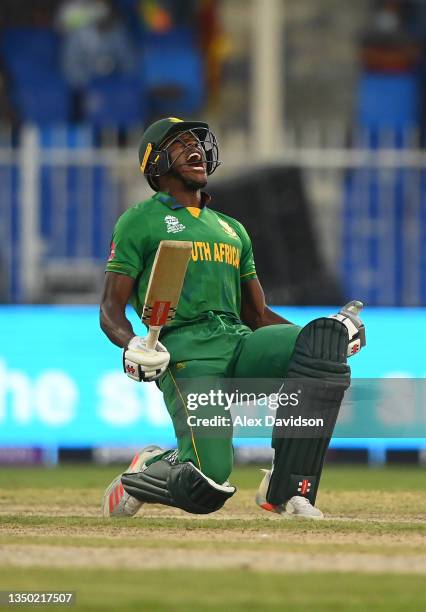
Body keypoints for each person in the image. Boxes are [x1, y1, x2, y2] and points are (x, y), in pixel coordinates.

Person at [99, 117, 365, 519]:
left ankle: (287, 492)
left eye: (198, 143)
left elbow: (256, 314)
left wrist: (324, 337)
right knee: (206, 485)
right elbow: (110, 310)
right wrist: (132, 343)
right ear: (155, 163)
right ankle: (146, 469)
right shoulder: (139, 221)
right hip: (188, 354)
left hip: (239, 343)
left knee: (324, 342)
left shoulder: (231, 229)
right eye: (180, 145)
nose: (196, 150)